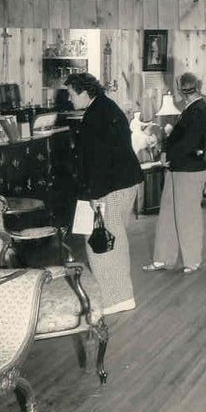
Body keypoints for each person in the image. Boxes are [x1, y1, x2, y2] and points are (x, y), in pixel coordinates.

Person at [65, 72, 143, 314]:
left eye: (71, 93)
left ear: (84, 92)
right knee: (110, 241)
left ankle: (116, 299)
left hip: (109, 189)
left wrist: (94, 197)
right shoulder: (104, 107)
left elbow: (98, 161)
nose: (69, 99)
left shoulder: (96, 116)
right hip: (122, 183)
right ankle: (115, 294)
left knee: (105, 245)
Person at [143, 72, 206, 275]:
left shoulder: (199, 110)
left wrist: (167, 153)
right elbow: (183, 138)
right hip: (179, 168)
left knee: (187, 217)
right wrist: (168, 145)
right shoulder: (191, 108)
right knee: (168, 214)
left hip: (189, 170)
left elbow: (190, 142)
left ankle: (192, 261)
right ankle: (163, 259)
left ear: (182, 90)